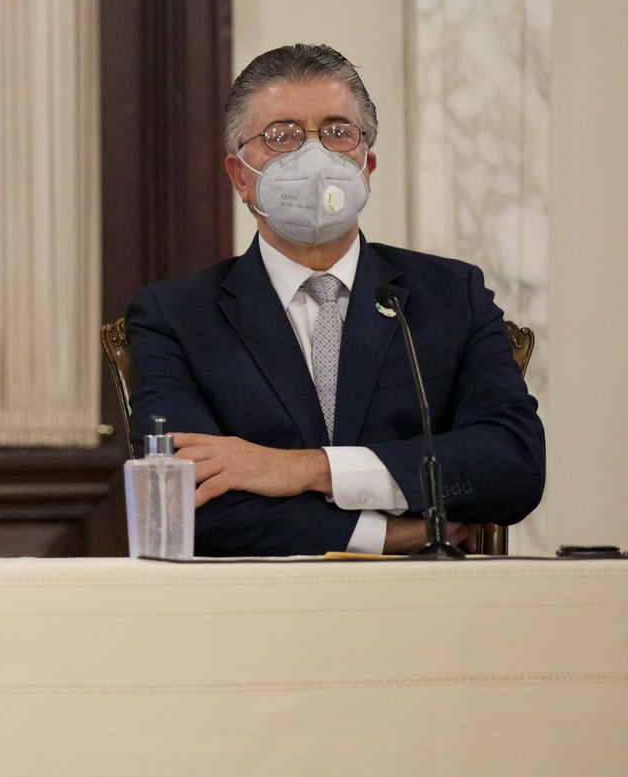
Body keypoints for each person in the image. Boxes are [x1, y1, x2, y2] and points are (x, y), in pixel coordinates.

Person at [123, 45, 543, 556]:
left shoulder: (451, 295)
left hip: (429, 597)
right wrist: (385, 535)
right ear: (239, 176)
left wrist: (307, 468)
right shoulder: (175, 316)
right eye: (281, 136)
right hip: (258, 600)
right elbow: (183, 502)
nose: (314, 156)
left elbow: (514, 464)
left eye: (338, 132)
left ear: (367, 166)